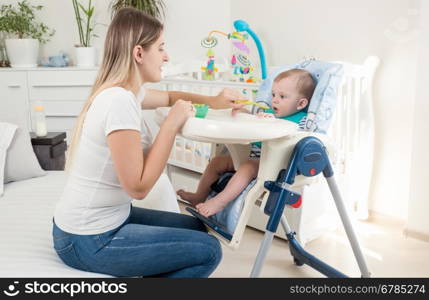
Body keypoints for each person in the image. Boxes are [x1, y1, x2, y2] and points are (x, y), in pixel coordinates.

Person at [52, 8, 243, 278]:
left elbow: (169, 97)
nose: (167, 57)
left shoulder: (128, 92)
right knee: (210, 250)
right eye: (161, 48)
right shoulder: (118, 101)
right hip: (88, 238)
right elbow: (138, 188)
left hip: (108, 220)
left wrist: (213, 101)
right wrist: (170, 126)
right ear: (139, 53)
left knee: (196, 229)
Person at [177, 69, 316, 217]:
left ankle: (219, 202)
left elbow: (298, 139)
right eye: (273, 94)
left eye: (282, 96)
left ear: (301, 103)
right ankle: (199, 195)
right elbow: (254, 125)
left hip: (275, 163)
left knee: (247, 168)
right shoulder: (270, 112)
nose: (274, 100)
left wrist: (273, 123)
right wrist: (244, 113)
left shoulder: (302, 121)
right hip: (255, 155)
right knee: (217, 162)